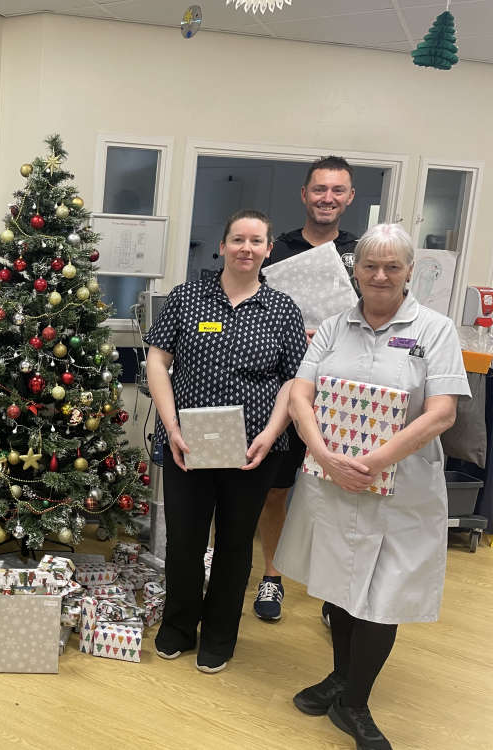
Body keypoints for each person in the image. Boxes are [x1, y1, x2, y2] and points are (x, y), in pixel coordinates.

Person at [275, 223, 468, 750]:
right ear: (354, 270)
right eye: (370, 266)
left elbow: (442, 414)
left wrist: (371, 463)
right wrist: (323, 454)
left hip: (402, 488)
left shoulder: (435, 330)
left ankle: (355, 703)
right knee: (339, 585)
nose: (380, 276)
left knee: (384, 597)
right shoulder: (334, 326)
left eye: (392, 266)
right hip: (334, 479)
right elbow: (300, 395)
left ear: (409, 272)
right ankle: (341, 677)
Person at [144, 209, 306, 674]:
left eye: (256, 241)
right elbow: (157, 361)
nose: (246, 248)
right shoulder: (187, 298)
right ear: (222, 246)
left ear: (268, 250)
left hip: (253, 452)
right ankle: (178, 626)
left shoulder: (282, 310)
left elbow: (294, 381)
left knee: (235, 546)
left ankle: (219, 636)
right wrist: (171, 426)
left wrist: (272, 433)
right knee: (185, 541)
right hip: (187, 447)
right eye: (238, 239)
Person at [253, 155, 359, 622]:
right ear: (304, 194)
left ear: (349, 197)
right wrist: (295, 335)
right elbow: (252, 312)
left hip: (343, 397)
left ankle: (335, 593)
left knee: (336, 496)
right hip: (283, 389)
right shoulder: (276, 251)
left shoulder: (362, 253)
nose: (327, 198)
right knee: (276, 490)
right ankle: (271, 577)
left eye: (337, 190)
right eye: (319, 189)